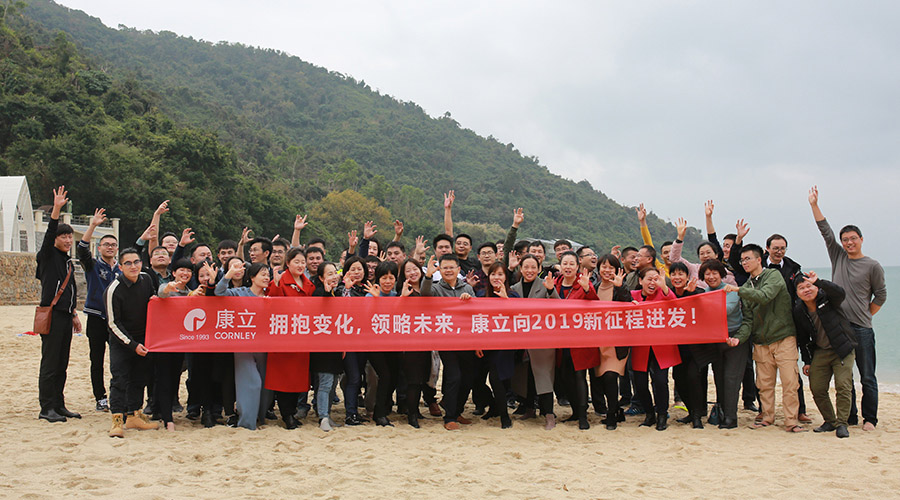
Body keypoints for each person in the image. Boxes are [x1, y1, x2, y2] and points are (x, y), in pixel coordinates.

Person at [809, 186, 887, 431]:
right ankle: (850, 417)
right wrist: (814, 205)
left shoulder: (872, 265)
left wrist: (866, 314)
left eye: (853, 238)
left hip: (862, 328)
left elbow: (881, 295)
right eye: (846, 240)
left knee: (867, 376)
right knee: (846, 378)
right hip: (839, 328)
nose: (849, 242)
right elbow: (826, 232)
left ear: (861, 240)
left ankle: (869, 419)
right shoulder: (838, 256)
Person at [724, 244, 804, 432]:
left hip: (784, 337)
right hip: (761, 342)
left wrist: (737, 291)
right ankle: (767, 417)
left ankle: (791, 421)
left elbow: (764, 296)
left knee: (790, 383)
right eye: (742, 260)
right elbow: (748, 321)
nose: (744, 263)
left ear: (759, 259)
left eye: (748, 259)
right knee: (764, 384)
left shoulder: (772, 276)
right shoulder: (745, 287)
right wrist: (738, 339)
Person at [35, 186, 82, 423]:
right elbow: (48, 234)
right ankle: (47, 407)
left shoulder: (67, 262)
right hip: (51, 315)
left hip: (65, 316)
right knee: (50, 363)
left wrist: (74, 313)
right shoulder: (47, 257)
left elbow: (69, 291)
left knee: (62, 363)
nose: (66, 240)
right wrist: (56, 210)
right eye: (62, 236)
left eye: (69, 236)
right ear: (54, 239)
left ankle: (59, 405)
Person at [793, 272, 857, 438]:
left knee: (843, 386)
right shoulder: (799, 310)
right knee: (818, 388)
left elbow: (840, 293)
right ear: (797, 293)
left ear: (816, 287)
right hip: (821, 351)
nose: (806, 290)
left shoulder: (828, 299)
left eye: (809, 286)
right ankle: (830, 421)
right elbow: (803, 338)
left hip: (842, 349)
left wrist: (820, 282)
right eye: (801, 288)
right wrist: (807, 361)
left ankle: (842, 424)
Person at [105, 247, 159, 437]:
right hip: (122, 341)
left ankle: (134, 415)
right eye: (128, 263)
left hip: (144, 339)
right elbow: (112, 323)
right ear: (120, 267)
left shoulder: (146, 279)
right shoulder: (114, 289)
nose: (133, 266)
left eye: (136, 262)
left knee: (140, 378)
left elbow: (153, 303)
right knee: (119, 379)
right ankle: (117, 420)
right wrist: (132, 345)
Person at [214, 261, 271, 430]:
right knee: (252, 383)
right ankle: (246, 423)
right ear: (252, 277)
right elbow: (219, 292)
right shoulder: (239, 293)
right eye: (263, 274)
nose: (266, 277)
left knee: (265, 386)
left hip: (265, 346)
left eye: (268, 274)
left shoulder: (271, 296)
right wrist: (228, 275)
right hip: (243, 346)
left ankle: (260, 418)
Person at [422, 254, 475, 430]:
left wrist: (469, 300)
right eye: (444, 267)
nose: (448, 270)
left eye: (452, 267)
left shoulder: (467, 287)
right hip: (446, 341)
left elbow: (475, 313)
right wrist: (428, 276)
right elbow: (425, 295)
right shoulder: (436, 288)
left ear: (459, 270)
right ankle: (449, 417)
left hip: (466, 341)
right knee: (454, 376)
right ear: (440, 270)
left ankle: (457, 410)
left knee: (467, 378)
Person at [76, 207, 120, 412]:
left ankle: (117, 393)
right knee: (96, 359)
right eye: (106, 244)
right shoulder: (93, 266)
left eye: (113, 245)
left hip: (116, 320)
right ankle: (100, 397)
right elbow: (81, 250)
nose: (110, 247)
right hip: (95, 317)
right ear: (99, 247)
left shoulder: (122, 269)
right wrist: (93, 225)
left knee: (118, 358)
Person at [266, 247, 314, 431]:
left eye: (303, 262)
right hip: (283, 337)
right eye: (297, 262)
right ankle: (286, 415)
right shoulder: (280, 281)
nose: (301, 265)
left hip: (301, 337)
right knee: (283, 378)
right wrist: (277, 285)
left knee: (298, 379)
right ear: (288, 263)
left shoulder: (308, 284)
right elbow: (272, 305)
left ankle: (292, 412)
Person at [510, 254, 559, 429]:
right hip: (521, 341)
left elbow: (559, 307)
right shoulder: (514, 288)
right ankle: (529, 408)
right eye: (526, 267)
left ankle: (549, 415)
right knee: (526, 375)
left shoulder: (545, 286)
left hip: (542, 341)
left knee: (543, 376)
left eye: (533, 267)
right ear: (520, 269)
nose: (529, 270)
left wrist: (552, 291)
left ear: (539, 269)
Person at [554, 251, 600, 430]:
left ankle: (583, 416)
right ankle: (574, 411)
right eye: (564, 263)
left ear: (577, 266)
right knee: (565, 377)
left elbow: (593, 302)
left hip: (580, 340)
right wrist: (549, 290)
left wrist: (588, 289)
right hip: (560, 340)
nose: (568, 267)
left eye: (571, 264)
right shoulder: (554, 284)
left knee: (580, 376)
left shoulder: (583, 284)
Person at [630, 267, 680, 431]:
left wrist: (664, 285)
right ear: (640, 281)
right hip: (640, 346)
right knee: (640, 384)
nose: (652, 282)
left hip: (661, 346)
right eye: (649, 279)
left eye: (655, 279)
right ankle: (649, 413)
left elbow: (674, 302)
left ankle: (662, 414)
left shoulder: (664, 294)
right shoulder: (633, 296)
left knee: (660, 381)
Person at [702, 259, 746, 429]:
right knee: (719, 377)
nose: (711, 277)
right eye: (707, 274)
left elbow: (726, 310)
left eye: (715, 273)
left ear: (722, 275)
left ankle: (731, 418)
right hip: (716, 340)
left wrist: (702, 307)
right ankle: (722, 412)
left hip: (734, 338)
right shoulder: (704, 292)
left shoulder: (730, 290)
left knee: (731, 378)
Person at [396, 257, 439, 427]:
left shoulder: (429, 289)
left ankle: (416, 411)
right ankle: (411, 415)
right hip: (410, 343)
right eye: (408, 270)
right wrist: (402, 297)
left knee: (422, 378)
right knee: (413, 380)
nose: (412, 273)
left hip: (428, 342)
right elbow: (395, 314)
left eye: (415, 269)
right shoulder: (403, 290)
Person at [475, 262, 519, 429]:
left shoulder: (513, 295)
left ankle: (504, 416)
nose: (496, 277)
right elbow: (474, 320)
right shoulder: (480, 294)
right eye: (493, 274)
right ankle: (493, 405)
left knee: (497, 379)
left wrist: (506, 300)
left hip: (503, 346)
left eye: (500, 274)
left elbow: (518, 317)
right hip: (484, 345)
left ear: (506, 277)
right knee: (476, 380)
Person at [592, 254, 632, 430]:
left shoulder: (621, 288)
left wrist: (621, 287)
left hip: (617, 343)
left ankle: (611, 415)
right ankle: (615, 410)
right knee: (600, 379)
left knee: (610, 377)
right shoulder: (593, 287)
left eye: (611, 268)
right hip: (597, 342)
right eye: (604, 267)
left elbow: (629, 306)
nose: (607, 270)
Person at [155, 258, 196, 430]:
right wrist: (168, 288)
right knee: (164, 378)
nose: (185, 273)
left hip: (181, 344)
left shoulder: (191, 293)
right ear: (173, 273)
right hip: (164, 343)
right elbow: (161, 294)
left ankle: (163, 411)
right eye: (181, 270)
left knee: (174, 379)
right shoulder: (168, 288)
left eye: (188, 271)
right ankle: (167, 419)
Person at [311, 262, 347, 432]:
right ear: (321, 278)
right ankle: (323, 417)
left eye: (335, 273)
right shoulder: (318, 293)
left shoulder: (337, 293)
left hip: (335, 347)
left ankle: (327, 415)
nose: (333, 276)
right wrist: (325, 293)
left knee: (332, 384)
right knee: (325, 383)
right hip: (322, 348)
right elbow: (317, 309)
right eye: (329, 274)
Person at [337, 256, 369, 426]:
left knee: (359, 376)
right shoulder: (342, 289)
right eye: (353, 269)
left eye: (360, 269)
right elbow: (341, 309)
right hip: (347, 341)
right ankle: (350, 414)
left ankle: (354, 412)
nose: (357, 272)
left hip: (363, 341)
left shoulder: (367, 289)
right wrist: (347, 289)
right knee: (354, 377)